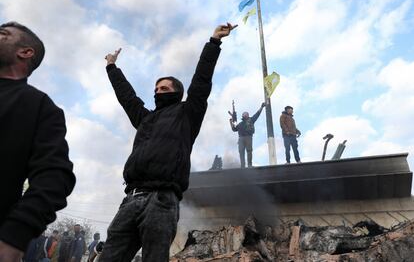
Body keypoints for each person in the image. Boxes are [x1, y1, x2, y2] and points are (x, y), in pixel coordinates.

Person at [99, 23, 236, 261]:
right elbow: (126, 96)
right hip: (130, 198)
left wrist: (213, 43)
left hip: (161, 200)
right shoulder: (145, 119)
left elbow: (202, 80)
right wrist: (111, 67)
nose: (157, 91)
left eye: (164, 88)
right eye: (155, 88)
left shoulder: (187, 113)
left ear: (176, 92)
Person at [0, 21, 76, 262]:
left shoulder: (39, 107)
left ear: (25, 52)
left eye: (2, 34)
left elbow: (54, 177)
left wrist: (14, 236)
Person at [229, 103, 266, 168]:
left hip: (248, 137)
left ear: (248, 115)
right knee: (241, 152)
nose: (245, 114)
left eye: (246, 114)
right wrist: (231, 122)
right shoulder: (240, 124)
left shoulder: (251, 120)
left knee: (249, 151)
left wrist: (261, 107)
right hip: (241, 139)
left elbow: (257, 114)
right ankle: (242, 166)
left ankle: (249, 165)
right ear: (242, 115)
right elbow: (234, 129)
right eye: (244, 114)